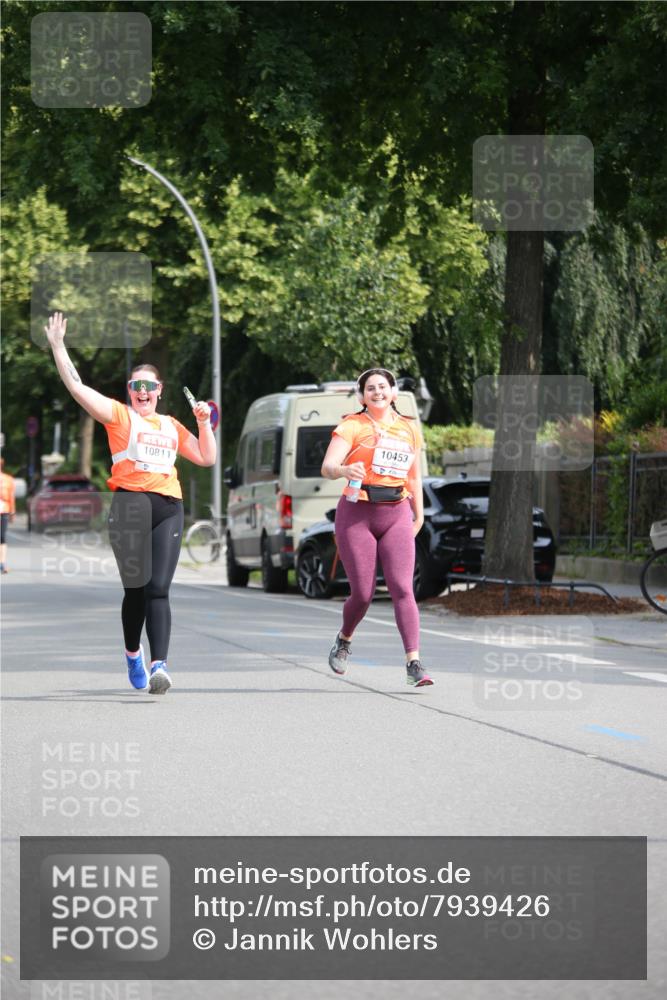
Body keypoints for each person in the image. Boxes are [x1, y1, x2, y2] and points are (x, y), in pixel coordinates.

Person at [44, 311, 216, 695]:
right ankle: (133, 653)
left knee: (159, 588)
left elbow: (206, 458)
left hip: (168, 507)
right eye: (137, 385)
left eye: (149, 386)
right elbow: (77, 386)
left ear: (160, 390)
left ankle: (160, 665)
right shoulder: (119, 416)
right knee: (136, 589)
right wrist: (58, 346)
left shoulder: (172, 425)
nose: (143, 392)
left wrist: (204, 422)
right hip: (129, 508)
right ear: (129, 389)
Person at [320, 368, 433, 687]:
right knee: (364, 593)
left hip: (396, 511)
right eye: (370, 388)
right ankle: (344, 639)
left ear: (394, 392)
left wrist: (419, 515)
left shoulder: (409, 429)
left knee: (402, 587)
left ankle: (414, 662)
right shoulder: (351, 425)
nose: (377, 392)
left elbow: (414, 476)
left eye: (383, 386)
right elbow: (327, 467)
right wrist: (344, 468)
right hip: (357, 513)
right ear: (362, 396)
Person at [0, 458, 16, 574]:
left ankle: (2, 564)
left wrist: (12, 512)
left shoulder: (8, 479)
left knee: (2, 538)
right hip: (4, 509)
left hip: (4, 510)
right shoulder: (7, 479)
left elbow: (11, 497)